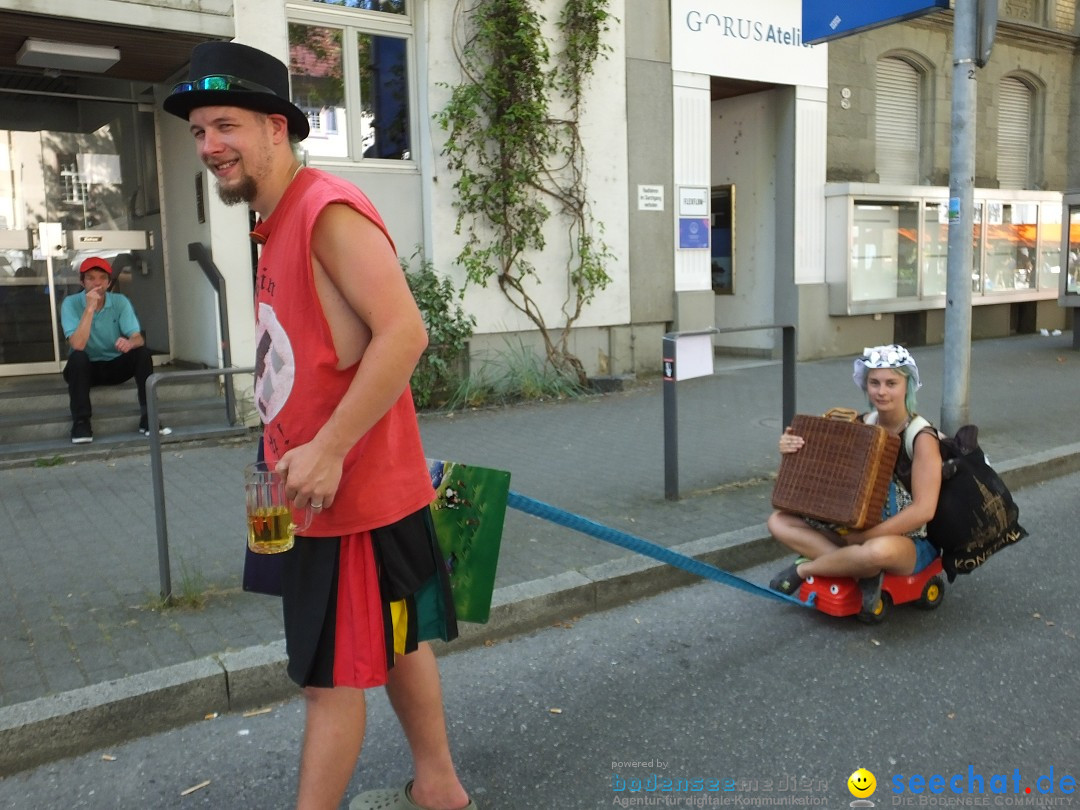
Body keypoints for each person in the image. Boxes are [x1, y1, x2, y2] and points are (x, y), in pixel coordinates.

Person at [164, 42, 474, 810]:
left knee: (326, 681)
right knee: (400, 640)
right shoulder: (274, 221)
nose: (209, 146)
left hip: (348, 496)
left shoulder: (324, 210)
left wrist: (330, 447)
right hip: (315, 488)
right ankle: (438, 785)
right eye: (199, 131)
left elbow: (405, 333)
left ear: (277, 127)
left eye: (224, 125)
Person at [766, 344, 943, 613]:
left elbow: (924, 510)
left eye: (891, 383)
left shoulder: (921, 438)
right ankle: (860, 570)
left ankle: (806, 568)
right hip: (856, 530)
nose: (881, 391)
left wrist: (865, 537)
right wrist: (792, 447)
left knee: (876, 552)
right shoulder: (862, 424)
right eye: (874, 383)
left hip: (907, 542)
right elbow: (829, 471)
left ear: (908, 385)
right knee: (778, 521)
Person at [60, 256, 170, 444]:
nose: (97, 283)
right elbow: (77, 345)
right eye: (91, 278)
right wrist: (89, 309)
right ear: (81, 281)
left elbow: (138, 338)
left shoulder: (120, 302)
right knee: (78, 357)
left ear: (109, 282)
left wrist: (130, 343)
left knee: (142, 353)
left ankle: (148, 418)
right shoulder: (70, 303)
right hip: (85, 371)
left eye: (102, 278)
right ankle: (81, 422)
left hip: (114, 367)